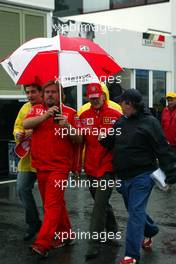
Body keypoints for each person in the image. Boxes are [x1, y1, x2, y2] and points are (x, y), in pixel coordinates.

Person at [99, 89, 176, 264]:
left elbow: (162, 148)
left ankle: (131, 256)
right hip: (123, 176)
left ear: (131, 104)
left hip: (143, 176)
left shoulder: (150, 123)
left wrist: (170, 174)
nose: (120, 106)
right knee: (134, 211)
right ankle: (150, 231)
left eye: (122, 103)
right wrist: (103, 138)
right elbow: (111, 141)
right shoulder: (120, 122)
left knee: (135, 212)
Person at [23, 80, 82, 258]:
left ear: (62, 95)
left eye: (54, 92)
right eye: (47, 92)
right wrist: (45, 116)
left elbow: (79, 140)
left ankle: (42, 244)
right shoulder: (36, 110)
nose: (49, 95)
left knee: (51, 205)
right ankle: (67, 235)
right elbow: (26, 125)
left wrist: (68, 127)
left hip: (59, 167)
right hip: (41, 166)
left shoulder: (70, 113)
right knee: (57, 204)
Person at [79, 83, 122, 260]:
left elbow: (125, 141)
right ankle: (112, 230)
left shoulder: (116, 115)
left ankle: (93, 244)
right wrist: (76, 166)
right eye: (92, 97)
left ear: (104, 96)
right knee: (101, 202)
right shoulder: (83, 116)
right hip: (90, 167)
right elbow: (79, 142)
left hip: (108, 167)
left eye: (98, 97)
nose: (95, 100)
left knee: (98, 206)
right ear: (88, 98)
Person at [13, 84, 42, 241]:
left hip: (44, 159)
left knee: (49, 198)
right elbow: (17, 126)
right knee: (22, 189)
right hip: (26, 158)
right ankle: (33, 223)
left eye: (33, 92)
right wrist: (18, 133)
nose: (30, 95)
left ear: (40, 92)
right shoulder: (24, 108)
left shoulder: (48, 107)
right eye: (27, 92)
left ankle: (55, 228)